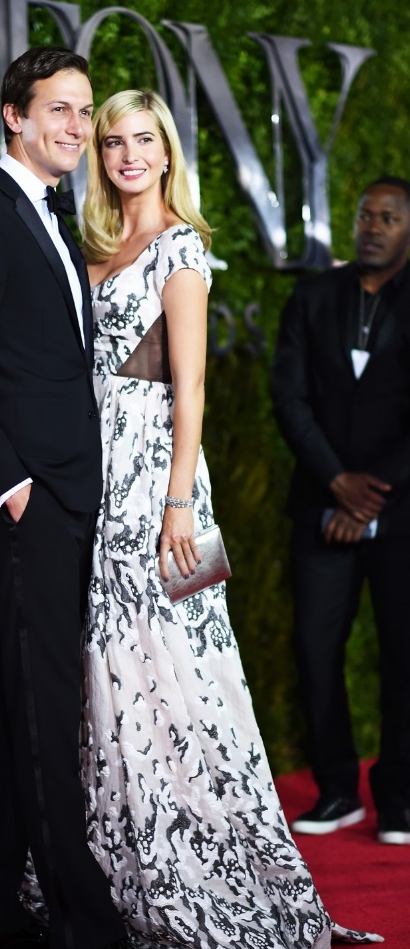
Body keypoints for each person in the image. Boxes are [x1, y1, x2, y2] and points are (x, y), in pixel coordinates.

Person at [55, 88, 380, 949]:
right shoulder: (91, 245)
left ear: (167, 152)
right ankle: (115, 875)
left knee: (186, 672)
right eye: (112, 140)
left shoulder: (181, 251)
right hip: (93, 484)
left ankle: (196, 875)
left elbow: (189, 392)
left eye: (142, 140)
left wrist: (173, 507)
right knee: (107, 675)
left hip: (161, 493)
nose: (126, 154)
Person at [0, 47, 199, 949]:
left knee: (13, 702)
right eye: (60, 111)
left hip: (72, 499)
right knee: (44, 714)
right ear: (13, 115)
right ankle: (87, 935)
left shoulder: (46, 220)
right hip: (26, 508)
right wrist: (12, 486)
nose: (77, 129)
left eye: (86, 113)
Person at [271, 176, 410, 845]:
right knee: (315, 650)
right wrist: (335, 481)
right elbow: (288, 398)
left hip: (401, 511)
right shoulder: (312, 294)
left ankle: (399, 797)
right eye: (364, 215)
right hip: (320, 506)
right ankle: (335, 790)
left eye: (387, 217)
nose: (371, 226)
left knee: (402, 656)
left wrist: (370, 491)